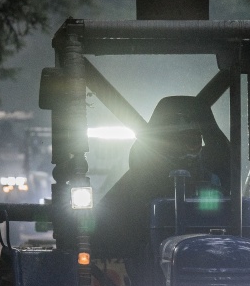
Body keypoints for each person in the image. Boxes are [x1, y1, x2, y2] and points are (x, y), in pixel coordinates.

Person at [91, 95, 229, 262]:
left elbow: (219, 221)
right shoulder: (140, 179)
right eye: (175, 143)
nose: (185, 152)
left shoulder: (211, 179)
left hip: (206, 254)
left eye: (193, 141)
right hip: (148, 256)